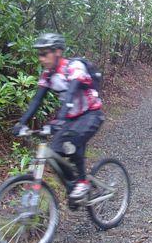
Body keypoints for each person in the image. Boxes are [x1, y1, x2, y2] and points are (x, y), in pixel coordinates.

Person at [12, 32, 104, 202]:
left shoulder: (74, 67)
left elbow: (71, 93)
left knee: (72, 142)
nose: (41, 58)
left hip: (91, 114)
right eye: (39, 54)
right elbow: (36, 100)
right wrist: (21, 122)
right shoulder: (47, 75)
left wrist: (60, 119)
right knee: (54, 152)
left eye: (44, 53)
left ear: (58, 52)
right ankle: (73, 186)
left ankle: (83, 181)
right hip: (71, 117)